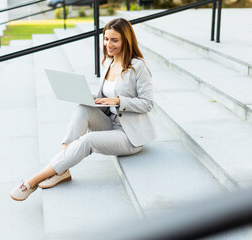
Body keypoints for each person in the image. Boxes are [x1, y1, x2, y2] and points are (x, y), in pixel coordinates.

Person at [10, 18, 156, 201]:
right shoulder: (108, 63)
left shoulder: (139, 66)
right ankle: (62, 168)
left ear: (126, 40)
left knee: (88, 140)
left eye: (114, 40)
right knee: (83, 109)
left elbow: (148, 103)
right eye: (106, 39)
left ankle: (32, 182)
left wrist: (119, 100)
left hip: (130, 135)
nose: (108, 44)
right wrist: (89, 97)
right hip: (111, 123)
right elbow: (105, 97)